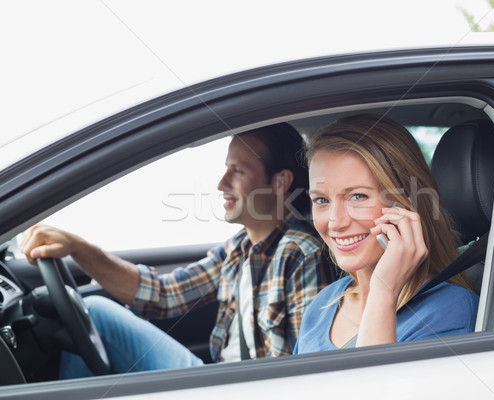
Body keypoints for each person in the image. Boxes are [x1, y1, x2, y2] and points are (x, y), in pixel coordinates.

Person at [20, 122, 335, 377]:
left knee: (98, 315)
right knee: (98, 313)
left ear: (279, 183)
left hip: (244, 390)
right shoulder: (239, 249)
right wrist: (79, 248)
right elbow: (162, 294)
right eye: (226, 169)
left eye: (237, 171)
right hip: (220, 378)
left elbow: (303, 369)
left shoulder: (300, 252)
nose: (221, 183)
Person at [294, 114, 478, 353]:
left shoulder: (450, 310)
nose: (335, 222)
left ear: (405, 207)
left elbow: (374, 389)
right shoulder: (324, 303)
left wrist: (383, 291)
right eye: (321, 199)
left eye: (358, 196)